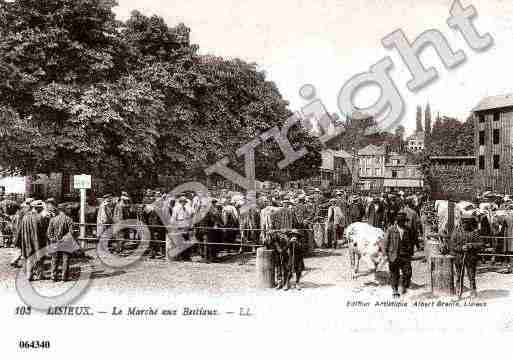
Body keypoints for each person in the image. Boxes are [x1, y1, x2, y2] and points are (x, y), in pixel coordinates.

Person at [383, 211, 418, 297]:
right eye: (401, 221)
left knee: (408, 273)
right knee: (394, 273)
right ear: (397, 221)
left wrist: (411, 252)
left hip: (405, 255)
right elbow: (385, 242)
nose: (403, 223)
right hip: (394, 255)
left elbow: (412, 240)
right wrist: (386, 254)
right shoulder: (391, 230)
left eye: (404, 221)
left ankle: (404, 286)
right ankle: (395, 290)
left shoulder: (408, 230)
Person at [450, 215, 483, 298]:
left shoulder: (474, 232)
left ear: (470, 223)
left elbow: (481, 244)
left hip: (471, 258)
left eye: (467, 223)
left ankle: (473, 291)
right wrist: (461, 248)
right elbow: (452, 245)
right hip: (459, 258)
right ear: (461, 222)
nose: (465, 224)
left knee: (471, 276)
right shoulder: (456, 232)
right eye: (464, 222)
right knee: (459, 275)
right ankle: (458, 291)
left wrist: (471, 245)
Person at [17, 200, 48, 281]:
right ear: (37, 208)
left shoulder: (25, 217)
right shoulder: (39, 217)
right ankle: (40, 275)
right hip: (37, 241)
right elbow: (44, 231)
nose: (41, 209)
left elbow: (20, 230)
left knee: (29, 258)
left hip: (27, 241)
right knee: (40, 258)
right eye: (41, 208)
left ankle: (29, 275)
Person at [47, 204, 74, 281]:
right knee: (65, 260)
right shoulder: (69, 219)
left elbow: (49, 233)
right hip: (66, 243)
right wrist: (63, 239)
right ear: (64, 210)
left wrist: (53, 239)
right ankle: (64, 277)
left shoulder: (53, 219)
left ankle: (53, 277)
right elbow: (71, 232)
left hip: (55, 242)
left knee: (54, 260)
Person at [170, 196, 194, 261]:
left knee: (186, 241)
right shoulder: (176, 208)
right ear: (180, 201)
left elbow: (188, 217)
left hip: (185, 226)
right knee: (180, 242)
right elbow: (173, 218)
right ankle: (180, 257)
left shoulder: (185, 209)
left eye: (185, 202)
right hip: (179, 225)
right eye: (183, 201)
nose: (184, 203)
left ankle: (186, 256)